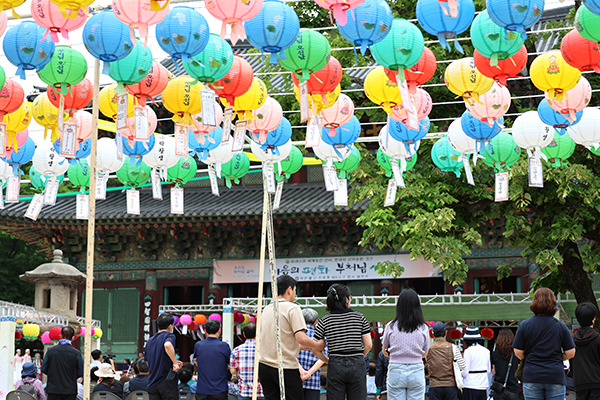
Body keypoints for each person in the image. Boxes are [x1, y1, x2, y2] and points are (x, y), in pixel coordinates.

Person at [258, 275, 326, 400]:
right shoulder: (292, 308)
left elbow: (284, 342)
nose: (295, 294)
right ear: (289, 289)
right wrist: (317, 345)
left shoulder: (266, 308)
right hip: (285, 367)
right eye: (295, 290)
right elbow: (301, 338)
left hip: (264, 367)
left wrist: (307, 346)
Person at [513, 287, 576, 400]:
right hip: (555, 376)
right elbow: (571, 352)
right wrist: (558, 357)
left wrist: (528, 357)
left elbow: (518, 352)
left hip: (532, 375)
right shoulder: (560, 326)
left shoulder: (524, 325)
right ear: (553, 303)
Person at [314, 284, 372, 400]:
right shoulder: (359, 317)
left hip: (335, 363)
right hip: (357, 363)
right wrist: (359, 357)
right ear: (346, 299)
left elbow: (315, 349)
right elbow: (369, 345)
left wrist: (328, 360)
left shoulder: (324, 320)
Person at [382, 288, 429, 400]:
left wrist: (393, 356)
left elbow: (384, 350)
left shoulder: (391, 326)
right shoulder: (423, 327)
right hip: (416, 369)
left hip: (396, 369)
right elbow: (425, 353)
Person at [145, 313, 183, 400]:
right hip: (166, 381)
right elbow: (167, 345)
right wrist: (175, 363)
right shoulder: (169, 335)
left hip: (152, 382)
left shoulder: (150, 341)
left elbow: (147, 362)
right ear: (170, 326)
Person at [41, 326, 84, 400]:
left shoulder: (50, 351)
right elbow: (80, 372)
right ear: (73, 338)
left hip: (53, 389)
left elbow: (44, 368)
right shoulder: (76, 353)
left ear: (60, 336)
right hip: (70, 390)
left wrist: (53, 374)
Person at [194, 319, 232, 400]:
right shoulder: (224, 346)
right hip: (219, 390)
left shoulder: (198, 345)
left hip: (202, 389)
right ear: (219, 330)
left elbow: (197, 362)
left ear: (205, 330)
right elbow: (229, 365)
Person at [427, 322, 465, 400]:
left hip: (434, 386)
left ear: (433, 333)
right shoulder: (453, 347)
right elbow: (462, 365)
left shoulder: (428, 349)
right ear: (446, 333)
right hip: (450, 386)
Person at [571, 302, 600, 400]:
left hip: (579, 384)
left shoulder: (572, 340)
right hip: (597, 384)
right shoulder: (598, 338)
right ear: (593, 318)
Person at [230, 321, 264, 400]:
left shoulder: (236, 350)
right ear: (258, 333)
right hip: (261, 391)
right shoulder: (264, 349)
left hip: (244, 392)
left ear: (244, 334)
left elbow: (232, 371)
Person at [298, 309, 327, 400]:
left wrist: (302, 371)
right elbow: (322, 358)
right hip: (313, 382)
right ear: (316, 322)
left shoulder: (295, 335)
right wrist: (309, 373)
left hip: (295, 379)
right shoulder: (322, 336)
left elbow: (289, 354)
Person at [460, 327, 490, 400]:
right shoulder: (486, 351)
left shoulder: (468, 351)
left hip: (470, 385)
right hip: (483, 385)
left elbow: (465, 373)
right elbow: (488, 371)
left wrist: (458, 372)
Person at [490, 329, 519, 400]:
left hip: (499, 389)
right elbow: (519, 372)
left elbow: (494, 372)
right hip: (513, 388)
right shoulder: (516, 354)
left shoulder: (495, 355)